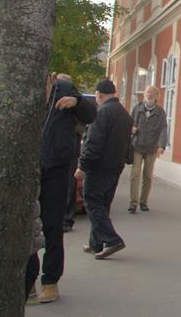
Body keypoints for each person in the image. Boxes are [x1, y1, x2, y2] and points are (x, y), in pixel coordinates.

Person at [37, 73, 97, 303]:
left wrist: (78, 101)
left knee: (53, 225)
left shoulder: (63, 87)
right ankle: (28, 277)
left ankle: (50, 281)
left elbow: (91, 114)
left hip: (56, 166)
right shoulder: (22, 84)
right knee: (24, 225)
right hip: (26, 166)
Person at [75, 79, 132, 260]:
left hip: (99, 166)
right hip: (115, 166)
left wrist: (83, 166)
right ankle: (95, 243)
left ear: (98, 95)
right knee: (103, 204)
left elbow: (93, 143)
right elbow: (128, 143)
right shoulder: (124, 113)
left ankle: (112, 239)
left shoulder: (101, 113)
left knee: (92, 202)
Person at [127, 84, 168, 213]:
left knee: (148, 176)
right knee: (135, 174)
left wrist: (161, 145)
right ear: (144, 95)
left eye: (152, 94)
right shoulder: (137, 108)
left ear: (157, 97)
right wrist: (131, 129)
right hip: (137, 146)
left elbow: (163, 129)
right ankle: (133, 202)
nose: (149, 95)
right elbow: (129, 123)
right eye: (147, 93)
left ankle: (143, 201)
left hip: (151, 148)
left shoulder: (160, 112)